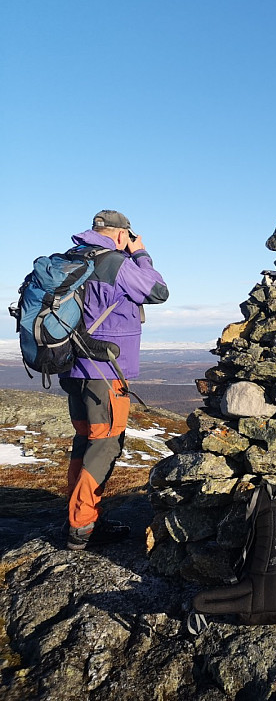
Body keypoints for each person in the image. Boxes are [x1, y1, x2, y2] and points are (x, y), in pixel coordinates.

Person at [59, 210, 169, 550]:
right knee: (105, 444)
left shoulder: (72, 258)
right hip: (103, 372)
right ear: (122, 234)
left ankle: (81, 518)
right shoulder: (117, 263)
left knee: (86, 440)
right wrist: (142, 254)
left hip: (71, 367)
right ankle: (83, 527)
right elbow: (157, 291)